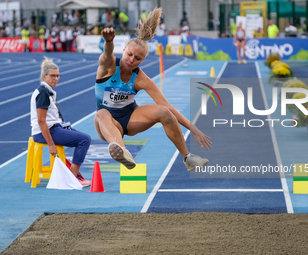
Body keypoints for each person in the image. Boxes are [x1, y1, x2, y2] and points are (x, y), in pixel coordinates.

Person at [94, 8, 210, 171]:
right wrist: (109, 42)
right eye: (129, 54)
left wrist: (193, 129)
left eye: (137, 58)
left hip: (129, 119)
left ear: (143, 61)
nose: (131, 60)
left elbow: (168, 106)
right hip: (107, 124)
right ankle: (122, 152)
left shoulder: (141, 79)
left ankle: (188, 158)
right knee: (101, 113)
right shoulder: (109, 66)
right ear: (124, 50)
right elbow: (106, 55)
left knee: (164, 112)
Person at [30, 57, 91, 187]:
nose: (56, 78)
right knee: (84, 140)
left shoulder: (48, 91)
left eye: (58, 75)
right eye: (53, 76)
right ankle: (72, 177)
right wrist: (51, 144)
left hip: (54, 128)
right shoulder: (43, 93)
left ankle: (72, 174)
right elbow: (41, 121)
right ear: (44, 76)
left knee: (81, 137)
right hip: (46, 131)